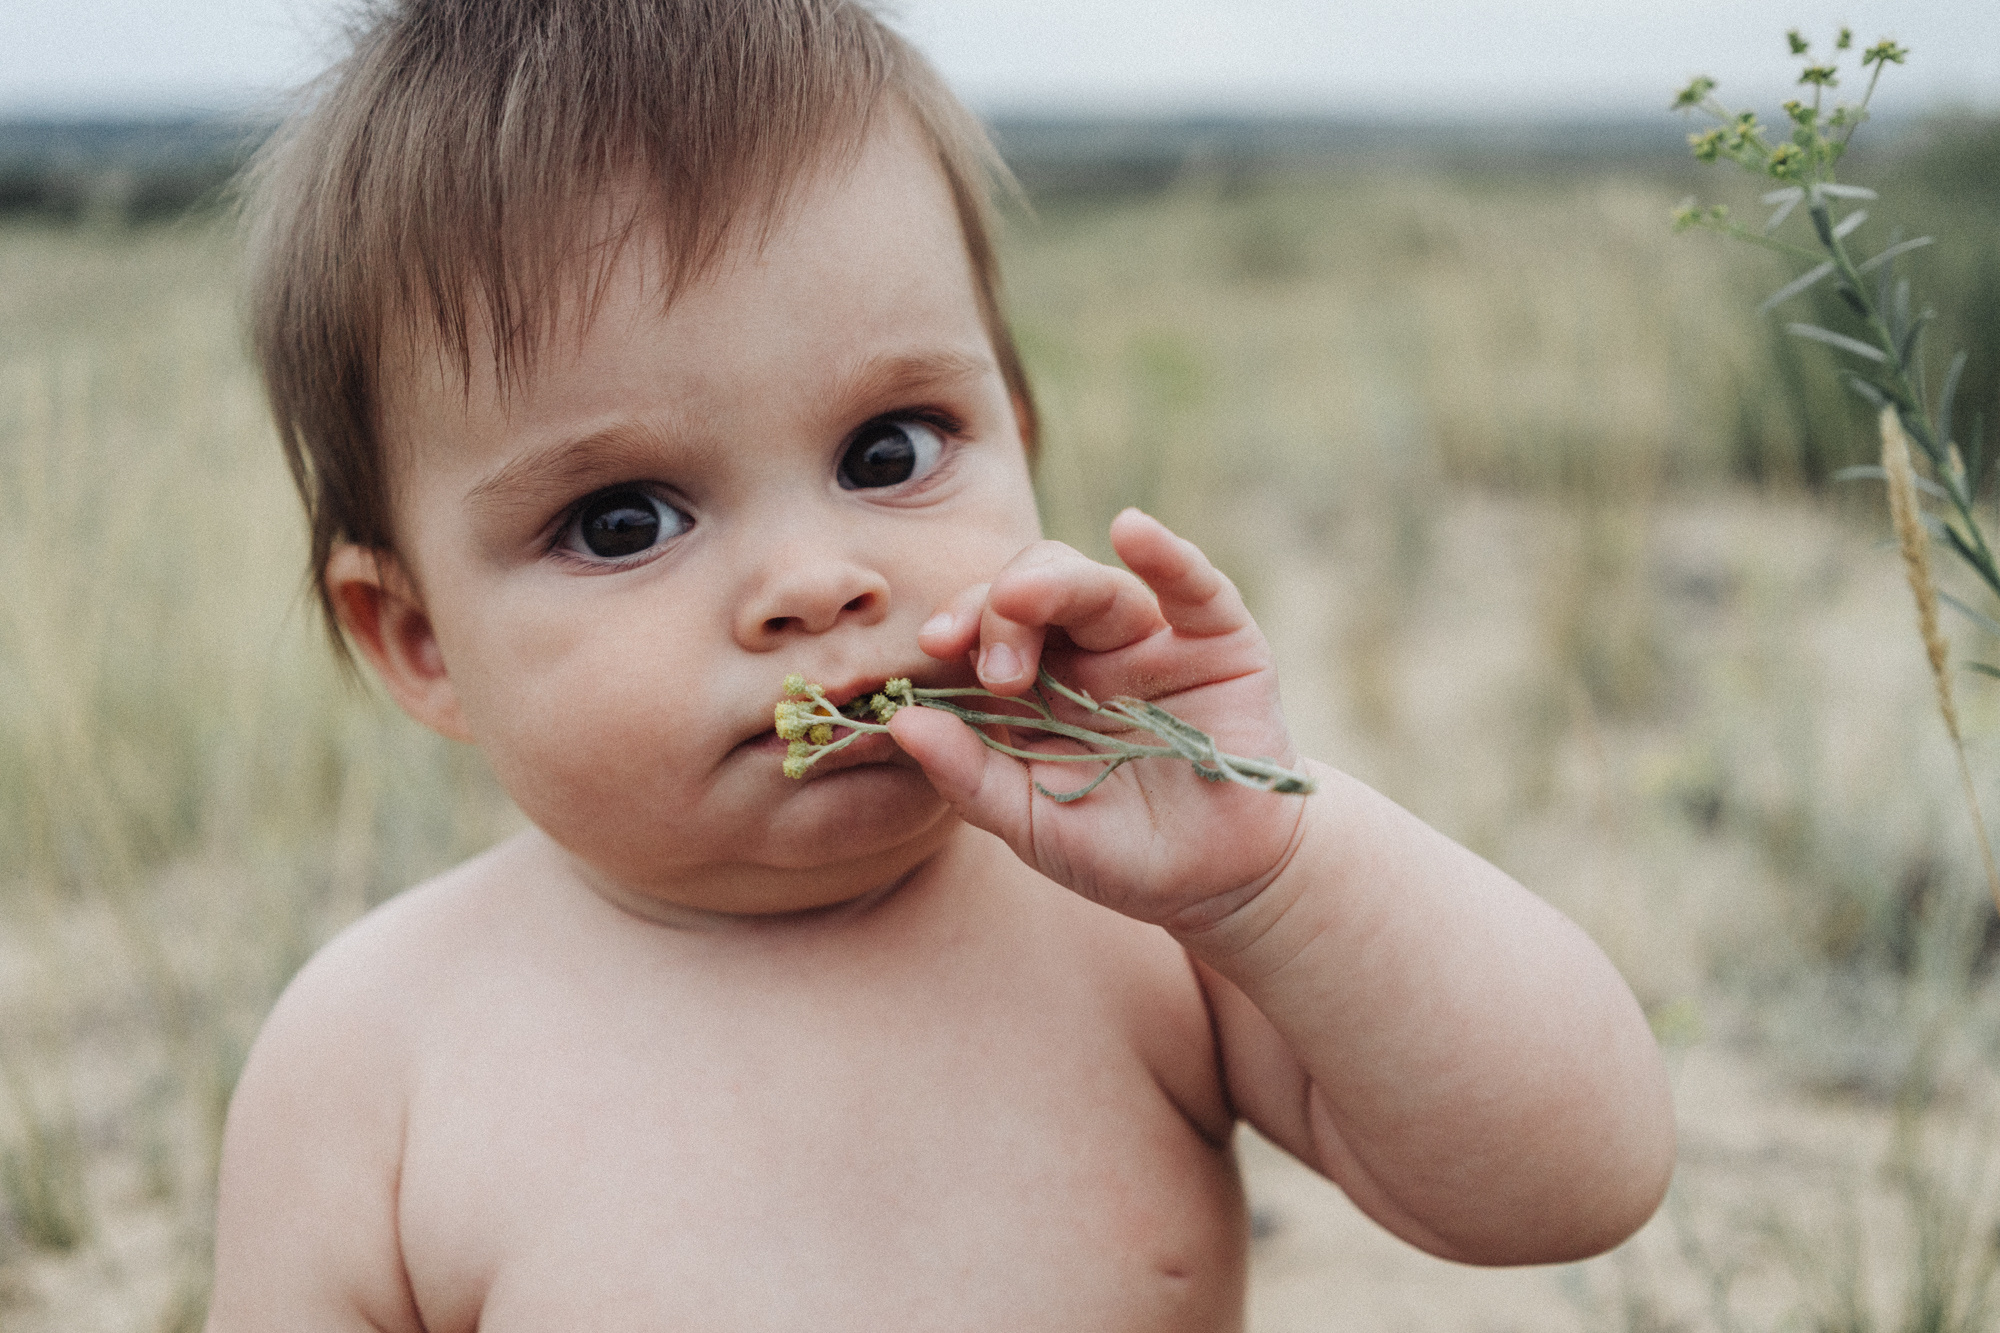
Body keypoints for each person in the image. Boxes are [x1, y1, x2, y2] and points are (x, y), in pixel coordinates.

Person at [206, 1, 1676, 1327]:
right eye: (622, 520)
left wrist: (1277, 875)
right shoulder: (375, 1059)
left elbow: (1577, 1183)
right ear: (419, 642)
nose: (813, 580)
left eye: (889, 449)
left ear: (1016, 432)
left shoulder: (1149, 926)